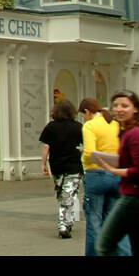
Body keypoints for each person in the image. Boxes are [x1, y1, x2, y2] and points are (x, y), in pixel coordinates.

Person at [94, 90, 139, 255]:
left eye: (124, 106)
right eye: (115, 105)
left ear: (135, 108)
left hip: (135, 196)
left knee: (104, 245)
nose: (119, 109)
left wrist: (114, 170)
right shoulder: (132, 132)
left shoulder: (135, 134)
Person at [80, 98, 130, 256]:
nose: (84, 118)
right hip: (116, 174)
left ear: (87, 112)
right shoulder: (116, 124)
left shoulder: (90, 126)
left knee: (94, 222)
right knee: (114, 221)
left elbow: (89, 152)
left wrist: (84, 157)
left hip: (96, 175)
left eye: (84, 115)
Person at [39, 98, 84, 239]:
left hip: (57, 165)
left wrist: (43, 164)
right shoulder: (78, 126)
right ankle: (65, 224)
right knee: (69, 194)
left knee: (62, 193)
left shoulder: (51, 127)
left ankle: (66, 223)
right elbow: (84, 146)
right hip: (74, 166)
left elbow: (46, 146)